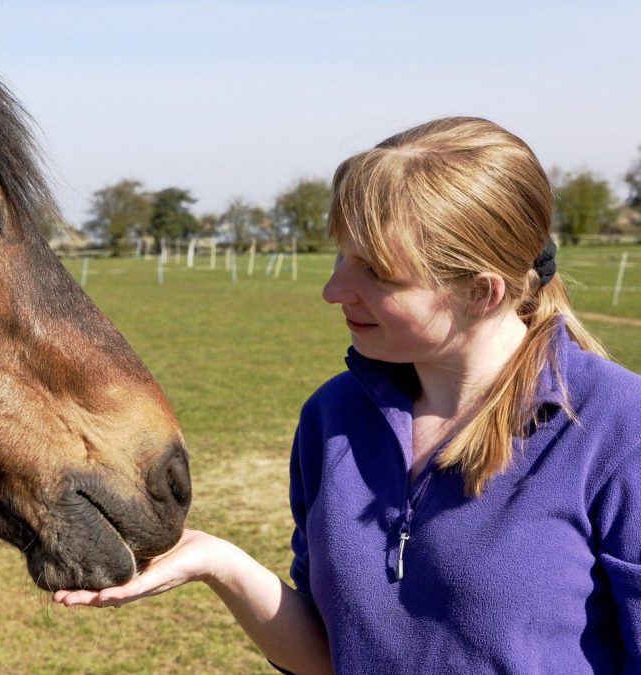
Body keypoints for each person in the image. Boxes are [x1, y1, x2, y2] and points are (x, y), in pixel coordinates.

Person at [53, 117, 641, 674]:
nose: (334, 290)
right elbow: (333, 655)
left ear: (481, 293)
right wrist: (218, 561)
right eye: (341, 256)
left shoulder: (618, 427)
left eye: (378, 274)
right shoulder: (331, 418)